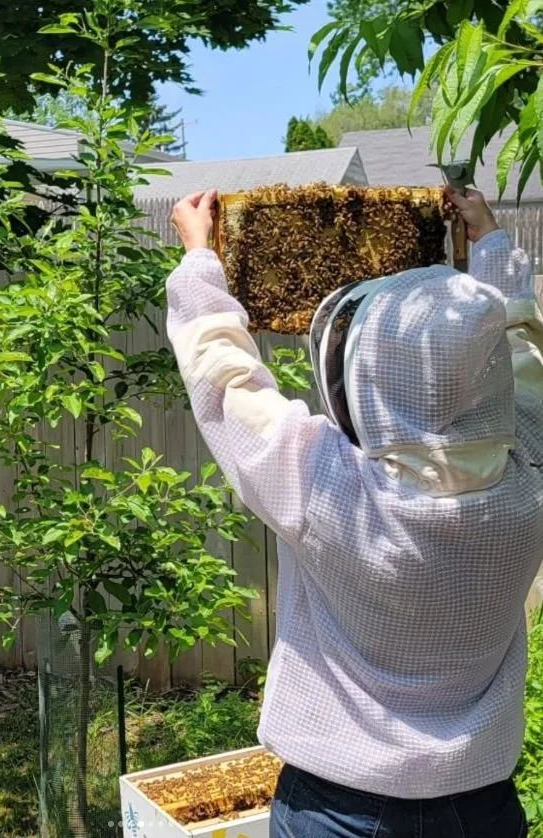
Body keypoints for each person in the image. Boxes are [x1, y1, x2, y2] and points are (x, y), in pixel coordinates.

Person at [166, 187, 543, 837]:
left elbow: (227, 384)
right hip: (483, 807)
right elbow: (524, 359)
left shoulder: (332, 490)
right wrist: (493, 249)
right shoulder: (529, 476)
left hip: (342, 808)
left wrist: (200, 263)